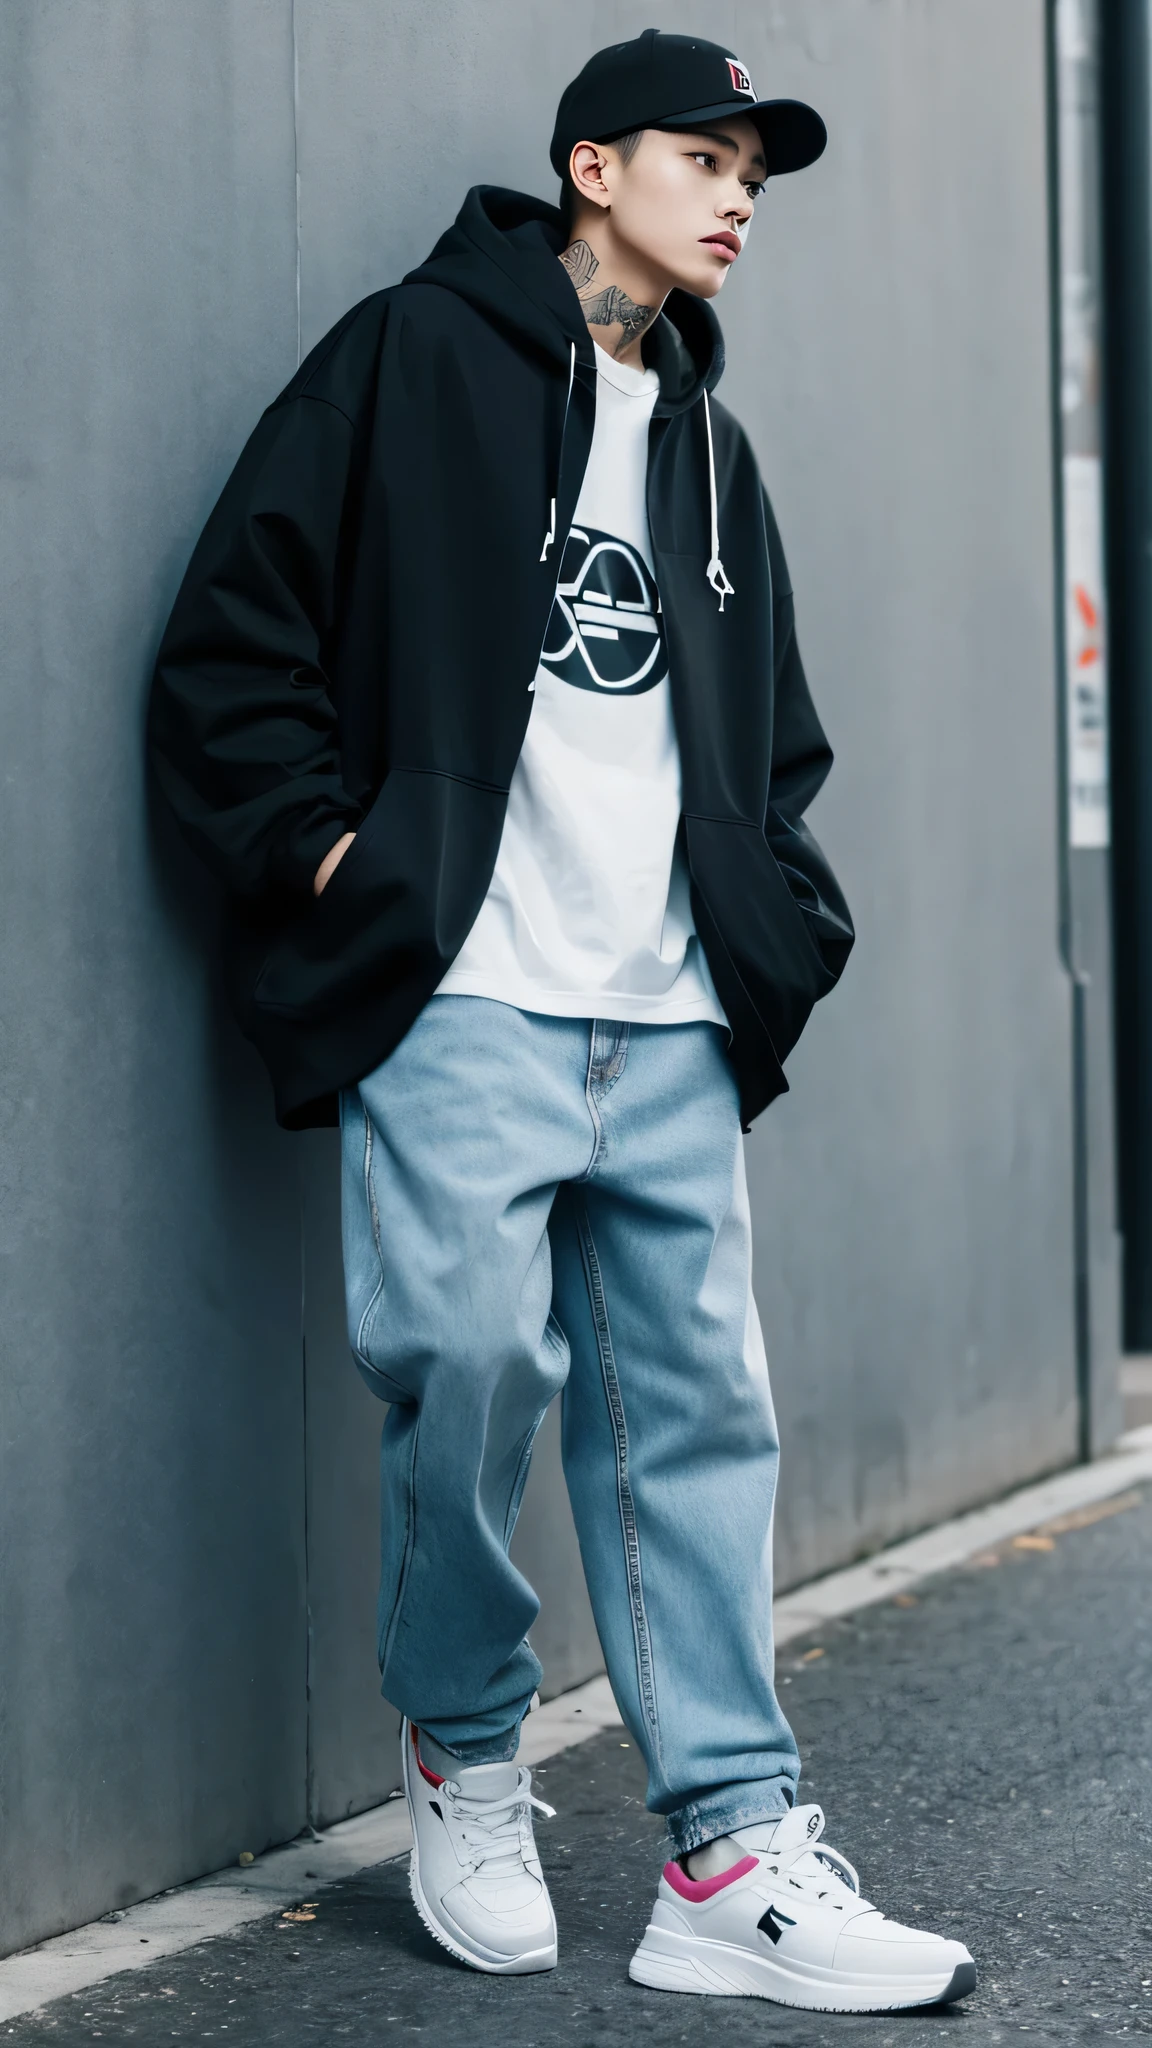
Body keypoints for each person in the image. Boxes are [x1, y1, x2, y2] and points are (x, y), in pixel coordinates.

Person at [149, 28, 975, 2014]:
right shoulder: (408, 361)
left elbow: (770, 743)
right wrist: (342, 864)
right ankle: (463, 1732)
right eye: (704, 154)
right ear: (592, 167)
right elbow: (229, 641)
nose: (741, 190)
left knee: (696, 1426)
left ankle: (728, 1848)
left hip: (667, 1009)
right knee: (469, 1362)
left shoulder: (708, 444)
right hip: (467, 992)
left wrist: (779, 916)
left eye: (756, 165)